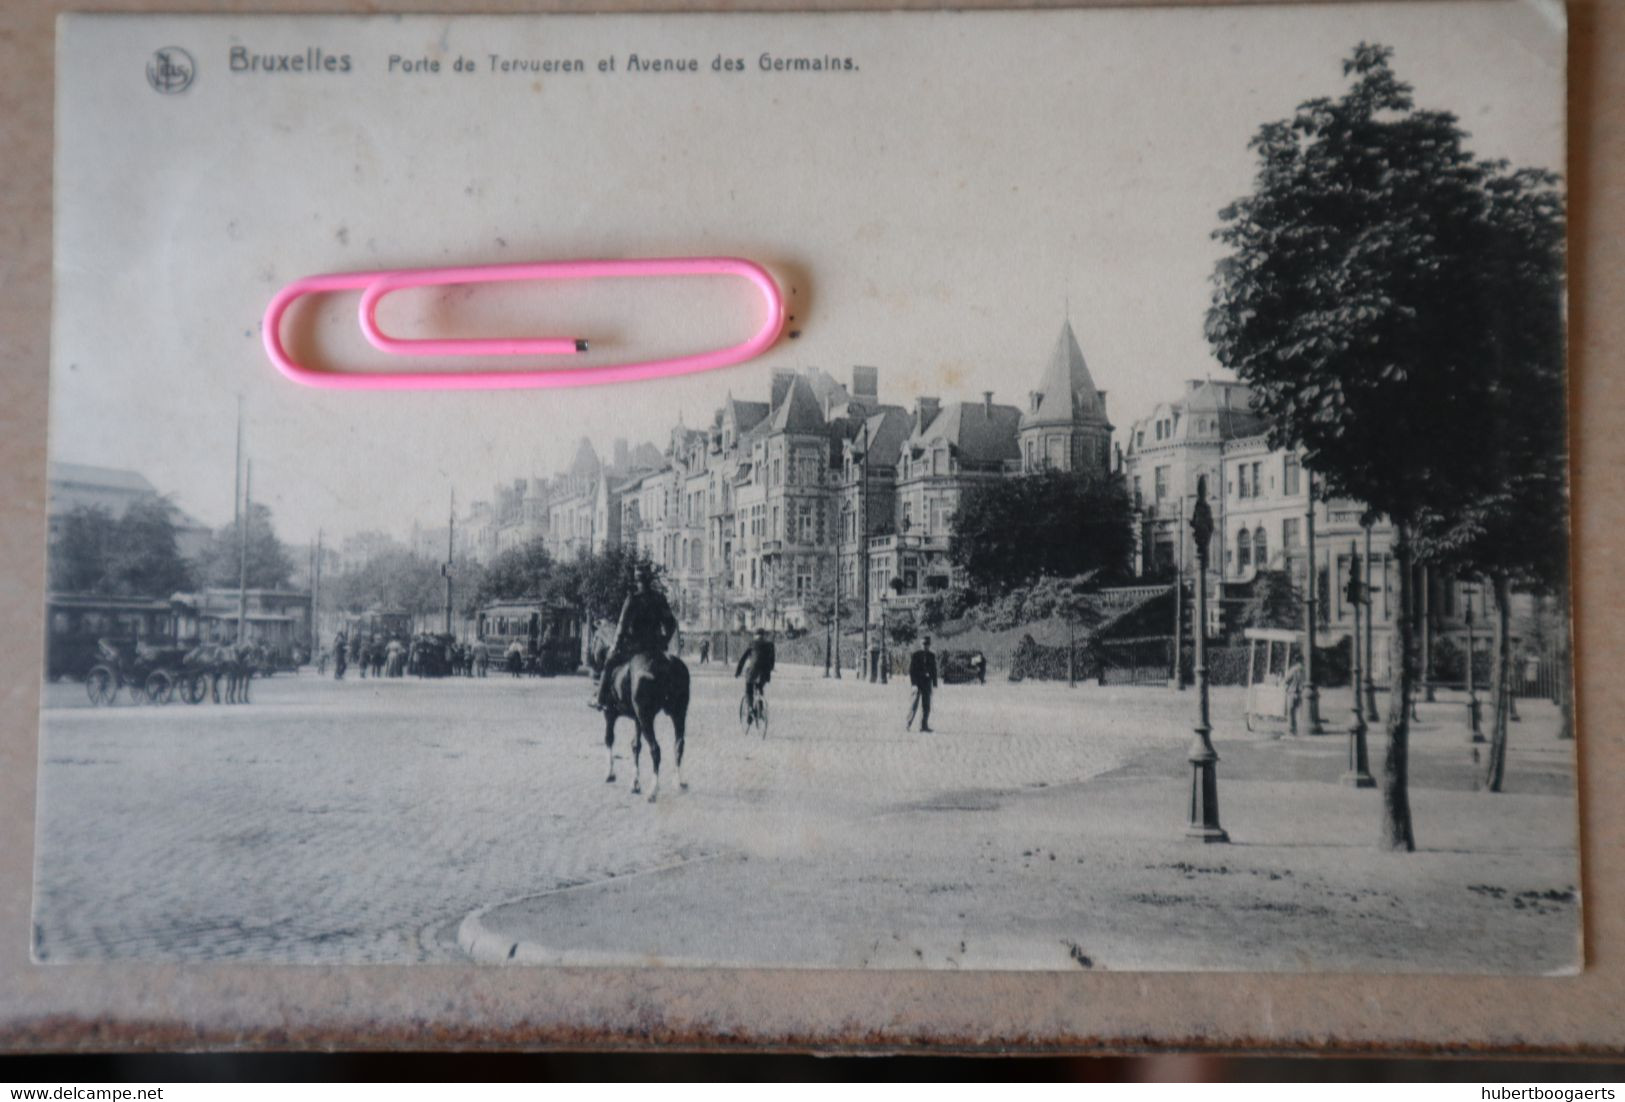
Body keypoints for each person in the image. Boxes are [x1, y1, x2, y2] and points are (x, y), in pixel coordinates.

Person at [594, 563, 678, 710]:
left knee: (609, 663)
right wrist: (664, 641)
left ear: (636, 580)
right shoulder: (659, 598)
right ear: (650, 580)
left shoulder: (632, 599)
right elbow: (671, 623)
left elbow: (621, 626)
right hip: (655, 648)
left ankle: (601, 699)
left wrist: (615, 646)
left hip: (633, 648)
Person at [735, 628, 775, 716]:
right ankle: (760, 710)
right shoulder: (770, 645)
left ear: (755, 636)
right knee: (760, 688)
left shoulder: (752, 644)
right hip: (765, 671)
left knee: (749, 688)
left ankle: (750, 709)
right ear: (764, 635)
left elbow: (743, 658)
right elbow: (772, 660)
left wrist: (738, 671)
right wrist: (770, 669)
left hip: (753, 670)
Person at [907, 634, 939, 732]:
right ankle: (908, 723)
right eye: (924, 644)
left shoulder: (932, 656)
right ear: (921, 644)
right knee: (914, 704)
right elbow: (912, 671)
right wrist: (914, 684)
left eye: (927, 644)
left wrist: (934, 683)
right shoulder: (916, 655)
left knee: (926, 705)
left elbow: (934, 669)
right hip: (918, 682)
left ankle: (923, 725)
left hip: (927, 683)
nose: (926, 646)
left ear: (929, 645)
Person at [1284, 656, 1305, 735]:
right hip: (1300, 693)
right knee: (1297, 712)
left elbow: (1286, 680)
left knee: (1290, 712)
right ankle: (1297, 729)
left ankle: (1291, 730)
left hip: (1292, 692)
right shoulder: (1304, 670)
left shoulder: (1293, 670)